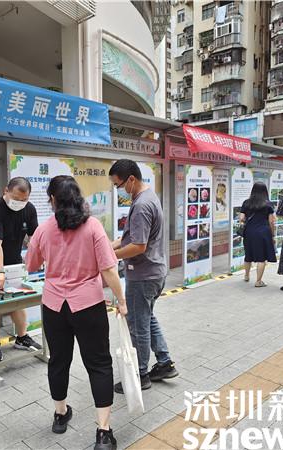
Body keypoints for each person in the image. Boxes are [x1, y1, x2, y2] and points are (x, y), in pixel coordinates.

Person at [25, 175, 126, 450]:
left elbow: (31, 265)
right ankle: (103, 432)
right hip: (88, 305)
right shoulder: (93, 226)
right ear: (78, 198)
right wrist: (121, 300)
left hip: (54, 307)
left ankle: (60, 414)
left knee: (58, 361)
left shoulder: (43, 230)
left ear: (53, 200)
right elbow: (109, 269)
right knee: (99, 364)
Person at [108, 159, 178, 393]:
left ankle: (140, 375)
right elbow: (129, 238)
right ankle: (164, 362)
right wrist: (109, 246)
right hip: (154, 272)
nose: (119, 190)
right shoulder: (148, 196)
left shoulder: (140, 205)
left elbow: (138, 246)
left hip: (143, 275)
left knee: (138, 325)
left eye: (118, 185)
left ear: (131, 179)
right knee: (147, 318)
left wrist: (111, 256)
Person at [0, 177, 41, 362]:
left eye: (24, 199)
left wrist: (38, 260)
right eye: (16, 198)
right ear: (6, 191)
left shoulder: (29, 209)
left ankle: (22, 337)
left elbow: (35, 239)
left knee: (17, 299)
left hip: (13, 259)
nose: (20, 203)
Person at [239, 182, 277, 287]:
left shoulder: (246, 203)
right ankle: (258, 281)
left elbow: (241, 218)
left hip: (249, 232)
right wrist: (272, 235)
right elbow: (271, 222)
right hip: (263, 232)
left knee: (248, 255)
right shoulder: (268, 204)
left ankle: (246, 276)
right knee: (261, 258)